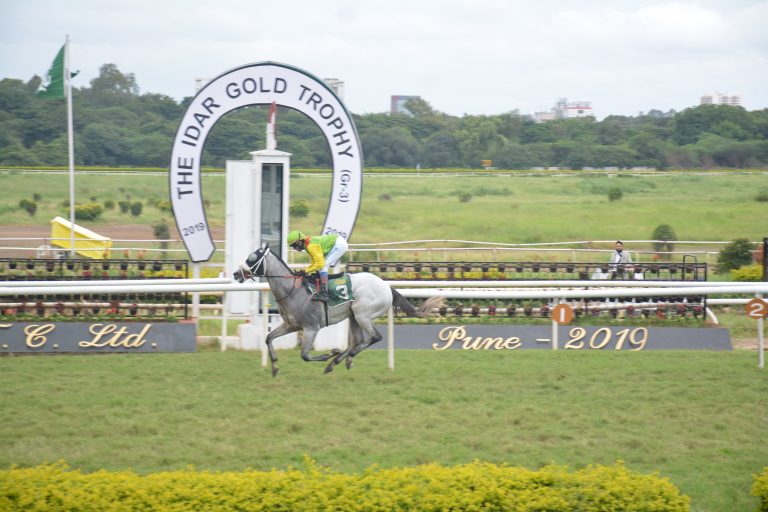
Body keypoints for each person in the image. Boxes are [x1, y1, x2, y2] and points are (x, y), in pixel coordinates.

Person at [286, 230, 348, 302]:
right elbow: (314, 264)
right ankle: (321, 288)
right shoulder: (308, 246)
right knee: (320, 267)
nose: (294, 249)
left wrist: (306, 271)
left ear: (299, 242)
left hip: (339, 245)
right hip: (338, 242)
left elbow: (320, 264)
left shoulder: (311, 246)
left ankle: (324, 294)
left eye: (294, 246)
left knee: (323, 267)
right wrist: (304, 271)